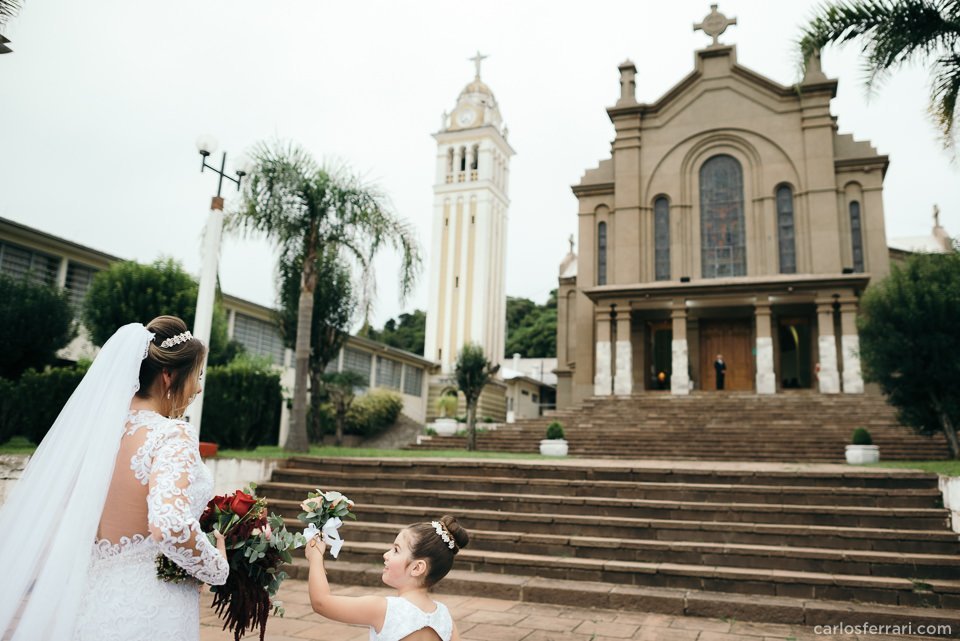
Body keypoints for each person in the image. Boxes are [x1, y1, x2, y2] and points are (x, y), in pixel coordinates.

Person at [0, 316, 229, 641]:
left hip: (89, 600)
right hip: (151, 607)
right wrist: (216, 568)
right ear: (168, 375)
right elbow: (169, 525)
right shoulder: (171, 434)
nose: (199, 386)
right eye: (197, 375)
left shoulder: (93, 436)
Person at [305, 515, 469, 641]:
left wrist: (315, 556)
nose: (386, 555)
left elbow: (321, 602)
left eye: (396, 550)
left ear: (417, 567)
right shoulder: (444, 617)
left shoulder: (384, 609)